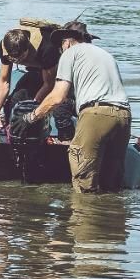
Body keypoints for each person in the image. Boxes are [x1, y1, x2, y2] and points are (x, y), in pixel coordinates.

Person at [12, 23, 131, 193]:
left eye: (60, 46)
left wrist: (31, 116)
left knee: (84, 182)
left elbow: (57, 96)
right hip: (124, 116)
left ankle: (83, 217)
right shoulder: (105, 55)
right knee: (111, 184)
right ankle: (111, 217)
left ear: (66, 42)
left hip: (96, 115)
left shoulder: (71, 53)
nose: (60, 50)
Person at [0, 18, 77, 139]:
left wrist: (32, 109)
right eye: (14, 60)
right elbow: (4, 82)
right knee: (15, 101)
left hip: (60, 73)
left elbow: (49, 84)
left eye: (21, 58)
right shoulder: (5, 47)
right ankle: (13, 137)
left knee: (60, 109)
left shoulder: (46, 46)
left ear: (28, 48)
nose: (18, 62)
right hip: (37, 71)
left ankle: (65, 139)